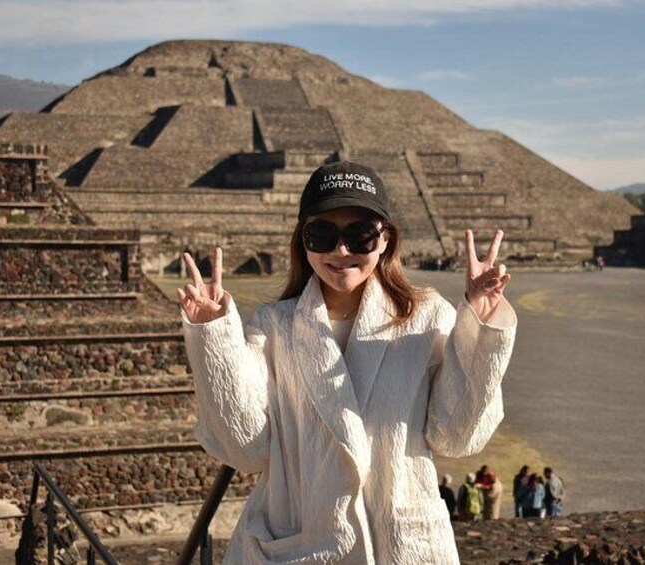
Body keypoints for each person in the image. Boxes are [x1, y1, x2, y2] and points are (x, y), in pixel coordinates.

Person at [178, 161, 517, 563]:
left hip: (400, 546)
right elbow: (245, 447)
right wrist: (213, 336)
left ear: (385, 240)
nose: (341, 251)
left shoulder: (427, 318)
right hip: (302, 544)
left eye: (360, 235)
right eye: (322, 234)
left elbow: (458, 436)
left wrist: (480, 324)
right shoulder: (275, 327)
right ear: (303, 241)